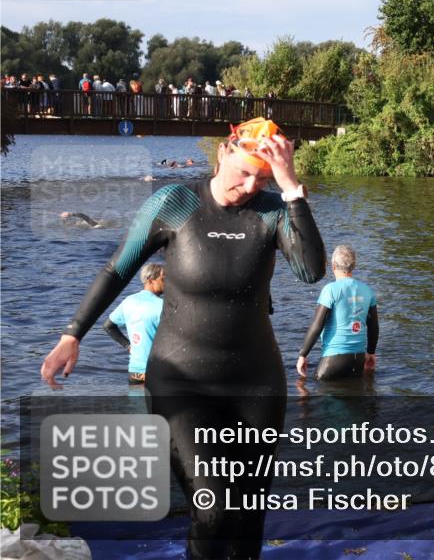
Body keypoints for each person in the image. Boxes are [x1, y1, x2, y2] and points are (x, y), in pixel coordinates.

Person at [40, 117, 326, 558]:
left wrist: (290, 188)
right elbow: (117, 269)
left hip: (257, 383)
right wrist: (72, 333)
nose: (250, 185)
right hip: (181, 382)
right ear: (224, 152)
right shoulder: (175, 202)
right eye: (244, 171)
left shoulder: (271, 210)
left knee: (248, 515)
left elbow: (310, 271)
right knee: (211, 511)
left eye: (262, 176)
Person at [297, 245, 379, 381]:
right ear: (354, 265)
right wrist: (371, 353)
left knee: (305, 390)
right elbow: (374, 326)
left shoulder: (330, 290)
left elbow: (317, 326)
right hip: (358, 359)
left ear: (333, 266)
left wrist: (302, 355)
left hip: (333, 360)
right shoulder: (368, 291)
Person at [102, 263, 165, 385]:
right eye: (163, 279)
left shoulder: (128, 301)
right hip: (158, 371)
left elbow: (108, 326)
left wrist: (128, 346)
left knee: (138, 404)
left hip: (135, 371)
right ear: (151, 281)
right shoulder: (163, 305)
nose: (167, 283)